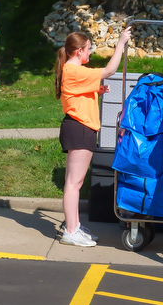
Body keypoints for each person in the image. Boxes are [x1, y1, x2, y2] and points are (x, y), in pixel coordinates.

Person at [54, 27, 131, 247]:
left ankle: (75, 226)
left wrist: (95, 91)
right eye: (88, 49)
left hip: (81, 128)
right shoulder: (73, 70)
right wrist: (120, 44)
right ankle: (70, 231)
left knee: (75, 182)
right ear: (78, 51)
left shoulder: (73, 70)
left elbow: (76, 92)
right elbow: (109, 70)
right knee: (73, 183)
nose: (90, 52)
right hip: (79, 128)